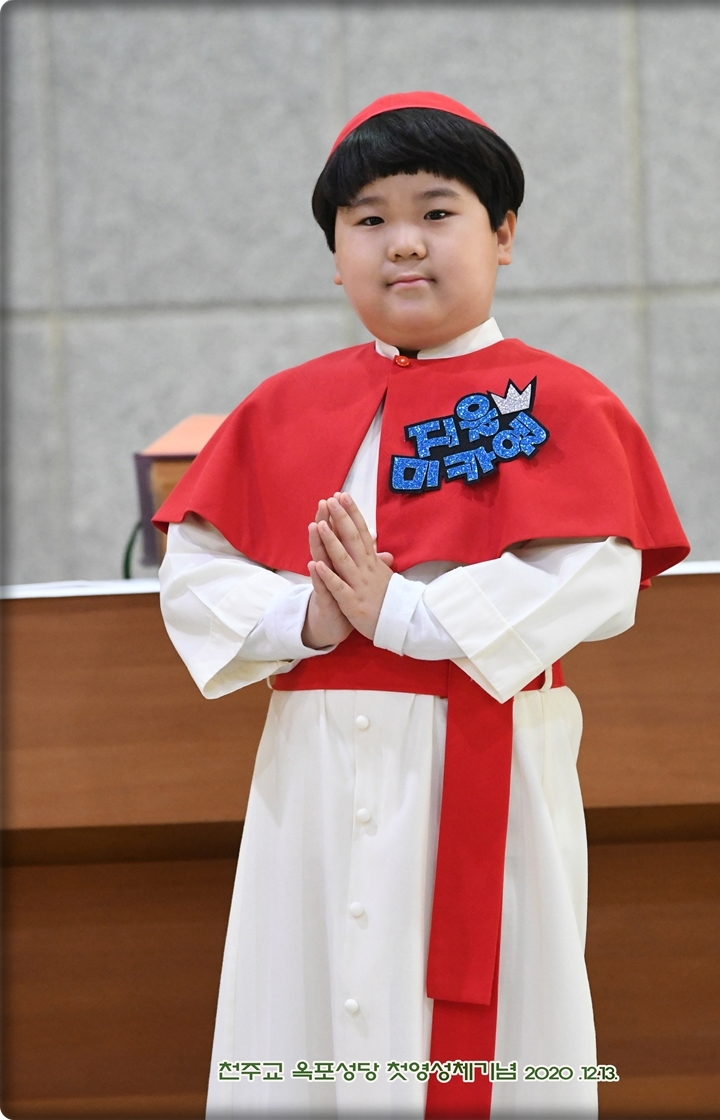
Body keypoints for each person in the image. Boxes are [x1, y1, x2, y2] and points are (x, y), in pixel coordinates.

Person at [154, 92, 689, 1119]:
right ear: (335, 253)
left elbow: (593, 572)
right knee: (301, 1009)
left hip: (483, 750)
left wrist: (401, 615)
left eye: (436, 212)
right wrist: (308, 622)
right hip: (311, 768)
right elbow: (196, 574)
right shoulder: (281, 408)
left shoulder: (560, 404)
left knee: (494, 1040)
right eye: (368, 220)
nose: (402, 243)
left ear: (502, 234)